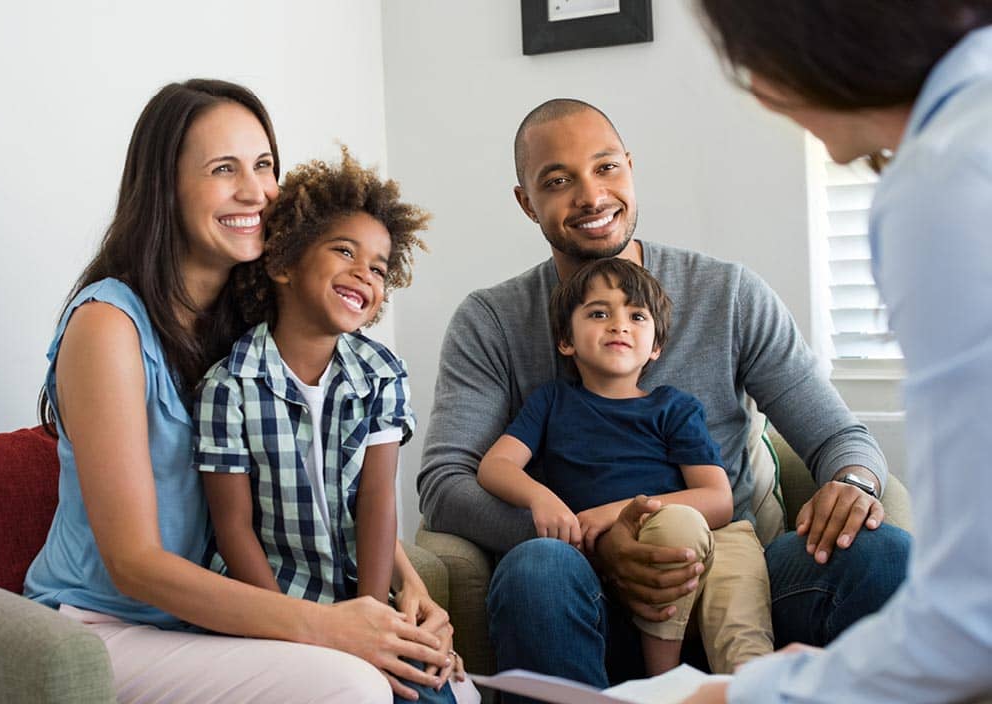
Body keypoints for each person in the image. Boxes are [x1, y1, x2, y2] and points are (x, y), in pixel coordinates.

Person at [417, 96, 911, 694]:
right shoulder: (492, 321)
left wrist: (854, 483)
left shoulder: (727, 294)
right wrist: (594, 543)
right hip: (576, 586)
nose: (592, 196)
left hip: (729, 571)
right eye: (558, 181)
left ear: (630, 167)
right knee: (538, 569)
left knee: (882, 553)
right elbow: (445, 483)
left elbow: (839, 437)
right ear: (527, 203)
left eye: (606, 167)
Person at [24, 79, 457, 704]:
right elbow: (133, 563)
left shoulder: (252, 327)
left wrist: (405, 589)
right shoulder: (108, 326)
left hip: (208, 625)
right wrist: (329, 630)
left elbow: (330, 486)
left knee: (444, 682)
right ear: (165, 186)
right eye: (223, 169)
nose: (255, 191)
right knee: (353, 686)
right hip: (100, 628)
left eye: (264, 165)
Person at [682, 2, 992, 702]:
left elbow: (971, 617)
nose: (761, 98)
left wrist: (756, 691)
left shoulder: (944, 180)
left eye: (751, 65)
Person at [192, 148, 477, 703]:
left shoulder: (381, 375)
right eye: (345, 251)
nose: (364, 273)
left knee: (434, 692)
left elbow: (377, 503)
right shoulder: (227, 388)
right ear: (284, 264)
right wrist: (290, 629)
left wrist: (372, 622)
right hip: (267, 603)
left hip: (356, 598)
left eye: (378, 267)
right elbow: (233, 529)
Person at [477, 257, 773, 676]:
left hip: (710, 539)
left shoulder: (674, 407)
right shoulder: (552, 401)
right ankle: (661, 683)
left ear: (655, 347)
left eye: (637, 316)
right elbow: (496, 465)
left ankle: (731, 688)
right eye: (599, 313)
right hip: (612, 565)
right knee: (673, 529)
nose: (619, 325)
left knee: (742, 635)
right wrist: (540, 498)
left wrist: (609, 513)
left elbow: (717, 499)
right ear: (566, 340)